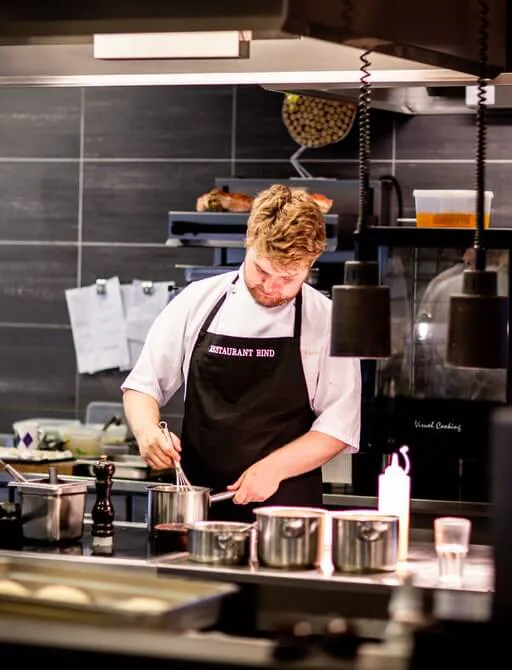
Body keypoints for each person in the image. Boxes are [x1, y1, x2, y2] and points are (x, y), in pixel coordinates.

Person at [121, 184, 362, 521]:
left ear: (311, 263)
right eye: (262, 270)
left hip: (287, 517)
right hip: (199, 509)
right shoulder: (197, 301)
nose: (272, 286)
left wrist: (274, 469)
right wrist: (147, 431)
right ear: (249, 242)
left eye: (288, 278)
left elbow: (339, 426)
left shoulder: (326, 320)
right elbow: (143, 386)